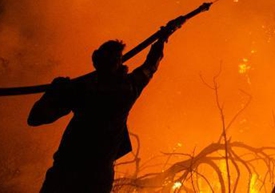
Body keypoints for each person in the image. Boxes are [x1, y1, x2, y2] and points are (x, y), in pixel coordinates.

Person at [28, 17, 184, 193]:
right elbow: (150, 66)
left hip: (68, 172)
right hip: (94, 177)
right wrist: (162, 39)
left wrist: (53, 92)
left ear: (96, 61)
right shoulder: (128, 88)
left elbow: (35, 118)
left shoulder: (83, 90)